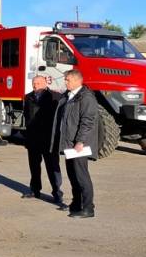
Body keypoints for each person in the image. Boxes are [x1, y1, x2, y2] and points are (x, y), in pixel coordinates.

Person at [51, 69, 99, 219]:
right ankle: (76, 203)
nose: (65, 82)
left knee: (81, 176)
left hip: (79, 145)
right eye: (65, 80)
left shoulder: (86, 97)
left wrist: (80, 141)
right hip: (68, 144)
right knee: (72, 175)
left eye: (68, 80)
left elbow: (88, 121)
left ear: (78, 80)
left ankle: (88, 207)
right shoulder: (68, 96)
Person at [23, 76, 65, 208]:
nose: (35, 85)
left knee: (52, 167)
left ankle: (57, 193)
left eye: (38, 83)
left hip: (49, 138)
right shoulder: (28, 97)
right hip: (33, 138)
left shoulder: (55, 96)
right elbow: (26, 115)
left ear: (45, 83)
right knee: (34, 166)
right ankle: (35, 190)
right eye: (33, 83)